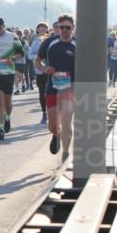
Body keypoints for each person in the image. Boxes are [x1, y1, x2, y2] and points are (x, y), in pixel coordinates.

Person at [36, 14, 77, 161]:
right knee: (53, 125)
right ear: (57, 28)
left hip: (70, 89)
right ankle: (55, 134)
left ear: (73, 28)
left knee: (67, 121)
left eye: (68, 27)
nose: (65, 30)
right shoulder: (49, 43)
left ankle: (65, 152)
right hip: (53, 88)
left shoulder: (78, 44)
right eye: (62, 27)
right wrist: (44, 68)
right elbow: (37, 61)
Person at [0, 16, 24, 140]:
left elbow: (21, 52)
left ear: (3, 26)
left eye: (0, 29)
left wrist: (12, 59)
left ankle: (7, 118)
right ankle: (0, 129)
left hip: (9, 73)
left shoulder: (12, 36)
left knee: (7, 103)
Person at [29, 22, 51, 123]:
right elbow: (30, 55)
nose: (42, 30)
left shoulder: (51, 39)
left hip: (50, 70)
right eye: (40, 29)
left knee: (50, 92)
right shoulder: (35, 41)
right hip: (39, 70)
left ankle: (52, 112)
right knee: (42, 92)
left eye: (44, 29)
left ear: (47, 29)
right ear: (37, 30)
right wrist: (38, 58)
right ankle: (44, 113)